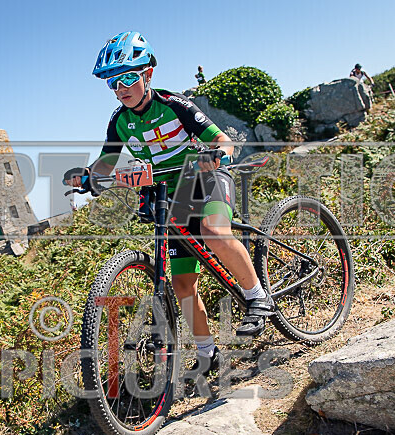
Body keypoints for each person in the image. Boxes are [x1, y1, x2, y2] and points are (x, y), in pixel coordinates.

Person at [66, 31, 274, 371]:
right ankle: (208, 354)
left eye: (128, 78)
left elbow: (223, 140)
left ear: (148, 74)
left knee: (213, 231)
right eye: (113, 84)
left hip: (204, 176)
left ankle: (258, 298)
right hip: (170, 197)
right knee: (182, 284)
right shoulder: (119, 122)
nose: (121, 89)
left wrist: (217, 153)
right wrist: (86, 176)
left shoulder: (174, 105)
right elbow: (105, 162)